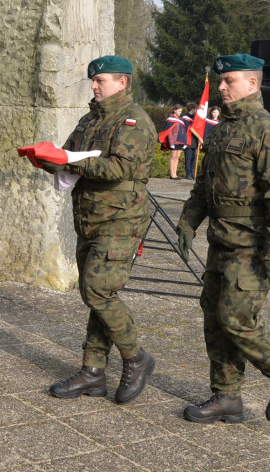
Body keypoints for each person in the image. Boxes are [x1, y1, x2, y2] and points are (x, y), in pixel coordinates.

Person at [176, 53, 270, 424]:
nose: (220, 87)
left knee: (237, 319)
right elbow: (203, 186)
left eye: (228, 81)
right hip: (220, 242)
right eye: (220, 81)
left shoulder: (269, 130)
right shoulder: (223, 130)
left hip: (251, 245)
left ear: (252, 83)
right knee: (214, 320)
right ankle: (227, 397)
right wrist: (188, 223)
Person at [45, 56, 157, 404]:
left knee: (97, 291)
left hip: (121, 220)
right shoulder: (89, 119)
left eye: (101, 80)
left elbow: (119, 168)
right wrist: (49, 158)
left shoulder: (135, 121)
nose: (94, 86)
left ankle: (136, 358)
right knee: (96, 293)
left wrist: (69, 161)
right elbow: (70, 155)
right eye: (92, 80)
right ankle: (93, 372)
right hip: (90, 218)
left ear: (122, 83)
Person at [162, 105, 187, 179]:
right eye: (179, 111)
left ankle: (175, 173)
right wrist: (171, 143)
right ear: (174, 110)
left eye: (181, 111)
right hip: (173, 141)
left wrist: (184, 142)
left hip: (180, 141)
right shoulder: (170, 119)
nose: (180, 113)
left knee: (177, 158)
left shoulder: (181, 120)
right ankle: (172, 174)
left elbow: (183, 132)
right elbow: (169, 132)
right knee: (173, 157)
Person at [182, 103, 199, 179]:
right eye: (196, 110)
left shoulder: (196, 118)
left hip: (195, 141)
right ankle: (188, 173)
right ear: (192, 110)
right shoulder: (185, 118)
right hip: (188, 141)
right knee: (188, 158)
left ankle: (192, 173)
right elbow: (185, 130)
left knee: (193, 158)